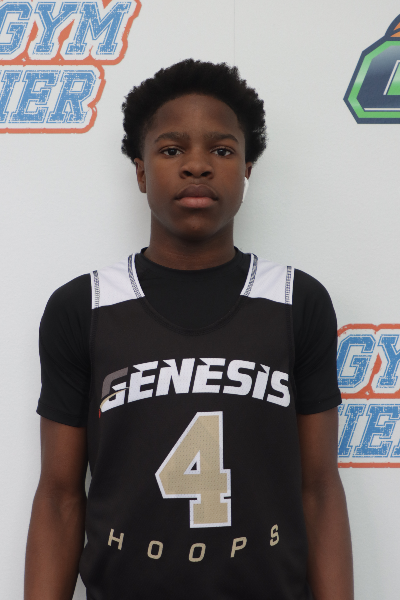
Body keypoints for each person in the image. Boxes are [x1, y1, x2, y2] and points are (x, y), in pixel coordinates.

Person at [25, 59, 353, 600]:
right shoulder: (84, 307)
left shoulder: (297, 302)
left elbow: (319, 489)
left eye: (222, 151)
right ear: (140, 171)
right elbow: (60, 497)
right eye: (172, 150)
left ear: (247, 169)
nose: (197, 166)